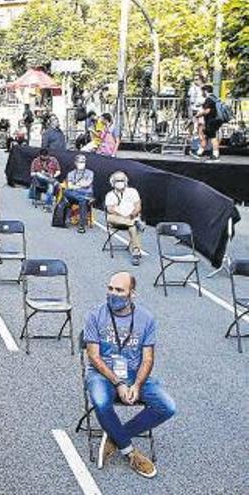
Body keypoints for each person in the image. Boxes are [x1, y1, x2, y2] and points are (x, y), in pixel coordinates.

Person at [84, 271, 176, 478]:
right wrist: (118, 383)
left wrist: (136, 385)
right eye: (110, 289)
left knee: (168, 407)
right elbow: (93, 357)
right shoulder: (94, 315)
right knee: (100, 401)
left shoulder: (146, 318)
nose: (113, 294)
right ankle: (130, 452)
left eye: (119, 290)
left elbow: (148, 358)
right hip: (103, 374)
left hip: (135, 375)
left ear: (132, 293)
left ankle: (115, 435)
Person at [105, 171, 144, 266]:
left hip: (131, 217)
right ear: (112, 182)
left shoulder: (133, 191)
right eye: (117, 180)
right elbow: (110, 209)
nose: (120, 182)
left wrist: (131, 215)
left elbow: (138, 206)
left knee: (132, 227)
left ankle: (136, 252)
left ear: (125, 181)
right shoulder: (110, 195)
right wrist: (123, 216)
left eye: (122, 180)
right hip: (117, 219)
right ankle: (134, 223)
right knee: (111, 218)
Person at [64, 154, 95, 233]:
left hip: (86, 193)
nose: (82, 163)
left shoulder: (90, 173)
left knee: (82, 201)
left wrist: (76, 185)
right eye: (80, 162)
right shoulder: (71, 173)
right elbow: (70, 186)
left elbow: (87, 184)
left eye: (83, 162)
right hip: (75, 194)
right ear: (75, 163)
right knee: (66, 192)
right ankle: (83, 199)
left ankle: (81, 225)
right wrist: (80, 185)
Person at [193, 84, 222, 162]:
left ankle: (216, 155)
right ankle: (199, 152)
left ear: (205, 91)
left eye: (202, 91)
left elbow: (207, 111)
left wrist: (199, 114)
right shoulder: (215, 98)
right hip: (215, 120)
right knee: (206, 136)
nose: (202, 93)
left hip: (211, 120)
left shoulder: (209, 99)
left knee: (213, 138)